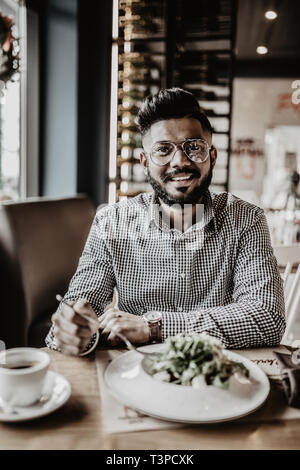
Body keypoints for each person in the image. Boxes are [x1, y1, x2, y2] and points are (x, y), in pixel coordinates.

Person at [45, 88, 285, 356]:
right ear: (145, 162)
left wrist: (155, 327)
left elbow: (267, 318)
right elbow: (73, 316)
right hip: (133, 374)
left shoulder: (246, 218)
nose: (180, 161)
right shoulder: (111, 221)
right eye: (163, 150)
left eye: (193, 147)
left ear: (212, 157)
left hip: (217, 375)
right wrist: (73, 333)